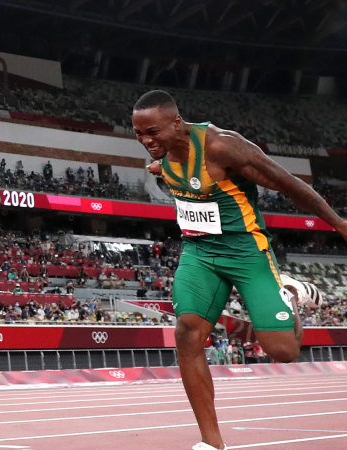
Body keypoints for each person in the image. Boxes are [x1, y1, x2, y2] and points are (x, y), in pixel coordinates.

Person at [133, 90, 344, 450]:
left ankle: (290, 292)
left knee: (283, 351)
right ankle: (211, 442)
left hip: (247, 252)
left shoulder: (222, 147)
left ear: (176, 122)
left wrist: (339, 224)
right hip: (199, 253)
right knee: (186, 333)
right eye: (138, 134)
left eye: (152, 132)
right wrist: (163, 169)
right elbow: (175, 174)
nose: (146, 141)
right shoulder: (162, 159)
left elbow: (291, 185)